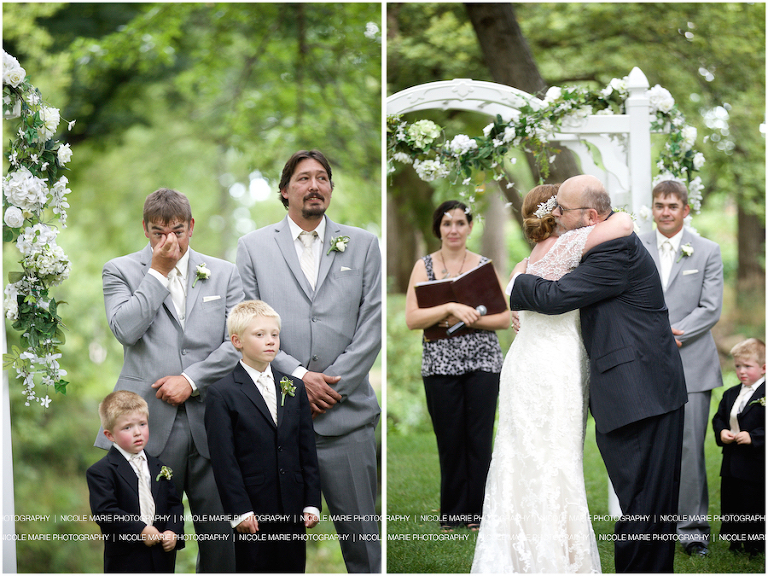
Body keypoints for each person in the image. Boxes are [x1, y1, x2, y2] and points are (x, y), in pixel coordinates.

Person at [508, 174, 688, 573]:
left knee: (645, 504)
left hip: (641, 392)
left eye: (563, 209)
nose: (555, 214)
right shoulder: (599, 243)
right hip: (630, 389)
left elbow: (556, 297)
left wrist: (516, 282)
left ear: (590, 216)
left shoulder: (615, 252)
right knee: (643, 501)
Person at [471, 184, 633, 572]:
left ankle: (511, 556)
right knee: (558, 459)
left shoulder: (521, 266)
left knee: (516, 456)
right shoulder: (572, 246)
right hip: (557, 365)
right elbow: (625, 224)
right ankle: (560, 559)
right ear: (556, 212)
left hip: (522, 365)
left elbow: (515, 317)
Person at [236, 150, 381, 572]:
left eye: (323, 178)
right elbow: (246, 328)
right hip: (277, 423)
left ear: (331, 189)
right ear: (285, 191)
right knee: (278, 552)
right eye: (303, 178)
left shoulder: (364, 244)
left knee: (364, 546)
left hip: (347, 417)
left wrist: (330, 386)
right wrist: (300, 377)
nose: (314, 185)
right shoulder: (253, 247)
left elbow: (371, 327)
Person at [97, 187, 244, 572]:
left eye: (177, 231)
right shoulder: (119, 270)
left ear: (191, 227)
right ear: (145, 229)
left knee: (223, 542)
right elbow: (126, 330)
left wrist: (191, 379)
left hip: (214, 423)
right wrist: (158, 273)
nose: (169, 241)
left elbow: (237, 343)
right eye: (159, 232)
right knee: (150, 544)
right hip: (146, 427)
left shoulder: (226, 274)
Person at [404, 200, 510, 531]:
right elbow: (412, 318)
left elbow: (505, 318)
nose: (453, 229)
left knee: (478, 437)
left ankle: (477, 513)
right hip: (440, 362)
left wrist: (469, 318)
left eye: (460, 223)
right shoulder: (424, 267)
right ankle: (452, 512)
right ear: (438, 228)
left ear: (470, 227)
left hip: (483, 359)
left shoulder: (483, 265)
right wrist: (450, 305)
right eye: (447, 223)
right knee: (449, 437)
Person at [639, 179, 724, 556]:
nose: (666, 211)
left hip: (692, 363)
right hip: (644, 364)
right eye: (659, 205)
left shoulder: (707, 250)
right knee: (647, 448)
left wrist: (676, 335)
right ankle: (651, 526)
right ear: (653, 209)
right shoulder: (634, 247)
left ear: (686, 210)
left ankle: (692, 531)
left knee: (689, 449)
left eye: (673, 205)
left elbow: (711, 307)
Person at [205, 300, 321, 572]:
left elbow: (307, 448)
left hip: (293, 506)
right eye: (259, 335)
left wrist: (312, 501)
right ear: (237, 341)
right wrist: (240, 510)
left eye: (274, 334)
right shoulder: (222, 393)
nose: (270, 341)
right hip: (253, 508)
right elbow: (224, 459)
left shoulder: (294, 386)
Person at [87, 390, 185, 573]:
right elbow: (105, 512)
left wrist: (173, 531)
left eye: (142, 424)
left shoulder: (160, 467)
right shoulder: (101, 471)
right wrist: (140, 530)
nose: (137, 432)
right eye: (127, 428)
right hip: (126, 559)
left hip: (162, 559)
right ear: (109, 435)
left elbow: (174, 505)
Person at [712, 338, 765, 557]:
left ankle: (755, 543)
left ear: (764, 367)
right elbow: (719, 418)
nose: (741, 371)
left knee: (752, 503)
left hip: (756, 462)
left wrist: (754, 437)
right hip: (732, 459)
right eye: (737, 366)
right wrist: (722, 431)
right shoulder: (731, 393)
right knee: (732, 501)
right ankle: (735, 539)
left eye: (748, 366)